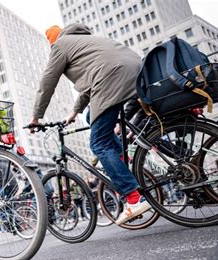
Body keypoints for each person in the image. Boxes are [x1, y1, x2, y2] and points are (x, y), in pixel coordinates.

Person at [28, 24, 152, 225]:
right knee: (90, 117)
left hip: (113, 77)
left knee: (99, 144)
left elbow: (48, 81)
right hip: (136, 71)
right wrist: (74, 112)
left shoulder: (60, 45)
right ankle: (121, 156)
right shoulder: (85, 41)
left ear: (52, 41)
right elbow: (92, 85)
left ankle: (133, 198)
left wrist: (36, 116)